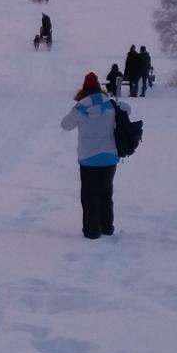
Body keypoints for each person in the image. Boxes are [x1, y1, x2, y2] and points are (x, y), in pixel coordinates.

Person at [60, 72, 130, 239]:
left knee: (89, 195)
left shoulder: (80, 108)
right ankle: (107, 227)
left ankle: (92, 231)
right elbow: (128, 109)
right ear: (100, 88)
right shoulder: (111, 104)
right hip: (109, 156)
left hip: (88, 158)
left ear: (84, 90)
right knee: (106, 193)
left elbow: (65, 125)